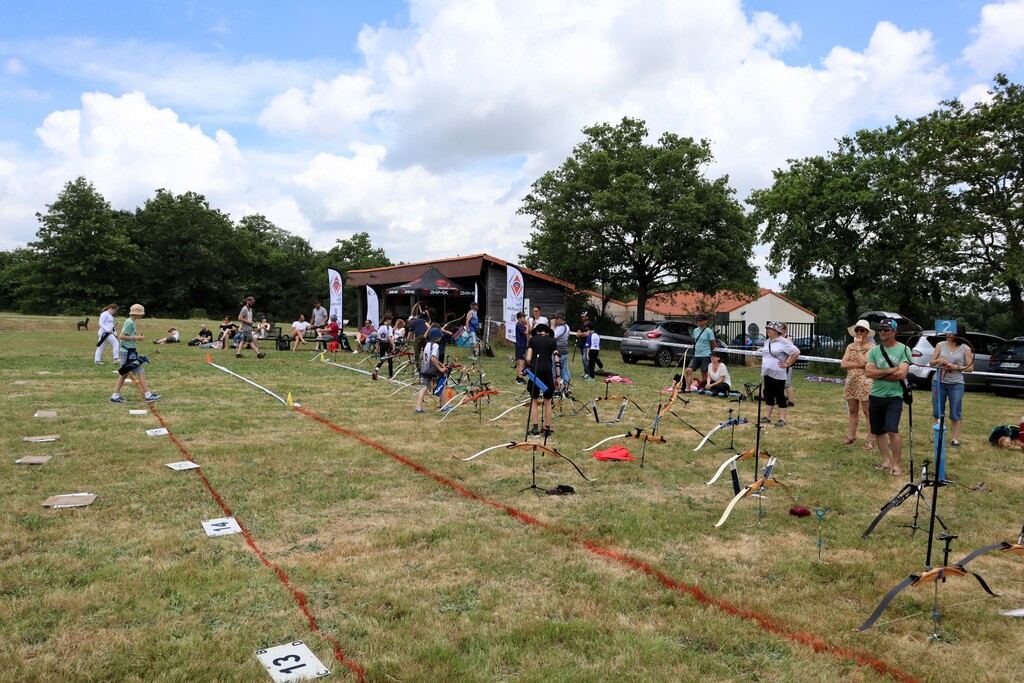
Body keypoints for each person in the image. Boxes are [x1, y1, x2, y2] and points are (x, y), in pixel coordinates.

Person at [864, 317, 913, 476]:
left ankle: (896, 465)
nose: (882, 332)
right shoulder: (875, 350)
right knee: (878, 431)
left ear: (894, 332)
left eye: (886, 330)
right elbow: (868, 372)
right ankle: (886, 461)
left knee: (892, 430)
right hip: (875, 395)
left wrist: (879, 373)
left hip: (894, 396)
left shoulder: (904, 349)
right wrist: (891, 370)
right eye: (880, 330)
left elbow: (902, 374)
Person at [928, 324, 974, 447]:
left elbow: (970, 368)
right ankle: (937, 434)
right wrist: (938, 361)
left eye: (951, 332)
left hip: (956, 383)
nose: (948, 334)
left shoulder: (965, 348)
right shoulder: (940, 345)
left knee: (955, 411)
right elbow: (931, 363)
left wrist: (955, 367)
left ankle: (955, 439)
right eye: (947, 332)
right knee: (937, 410)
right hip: (939, 381)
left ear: (958, 334)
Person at [109, 304, 161, 403]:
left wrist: (136, 337)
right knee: (139, 370)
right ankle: (148, 394)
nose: (142, 315)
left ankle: (115, 395)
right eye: (141, 313)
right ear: (136, 314)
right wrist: (136, 338)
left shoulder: (131, 321)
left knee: (124, 372)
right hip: (127, 352)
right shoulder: (129, 322)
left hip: (129, 351)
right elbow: (121, 336)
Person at [841, 319, 876, 449]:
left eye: (862, 330)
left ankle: (870, 439)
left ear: (867, 332)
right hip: (852, 380)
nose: (859, 332)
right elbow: (843, 364)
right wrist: (858, 364)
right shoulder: (850, 346)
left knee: (867, 411)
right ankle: (851, 436)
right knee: (852, 410)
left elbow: (865, 363)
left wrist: (859, 348)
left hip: (866, 381)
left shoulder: (872, 347)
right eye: (857, 330)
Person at [760, 321, 799, 426]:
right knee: (769, 394)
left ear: (776, 331)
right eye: (767, 329)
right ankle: (767, 417)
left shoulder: (784, 342)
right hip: (767, 371)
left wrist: (788, 363)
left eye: (770, 329)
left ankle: (782, 419)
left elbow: (796, 352)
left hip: (778, 373)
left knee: (779, 395)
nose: (768, 330)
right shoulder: (767, 341)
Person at [524, 322, 561, 434]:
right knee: (548, 400)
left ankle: (535, 428)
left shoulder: (532, 340)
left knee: (534, 399)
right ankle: (547, 428)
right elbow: (557, 359)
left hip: (535, 371)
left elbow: (528, 357)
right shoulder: (552, 341)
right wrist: (558, 377)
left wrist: (528, 365)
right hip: (547, 371)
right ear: (547, 332)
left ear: (537, 331)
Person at [414, 334, 448, 413]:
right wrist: (440, 369)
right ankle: (444, 407)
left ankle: (418, 407)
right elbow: (433, 358)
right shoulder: (435, 345)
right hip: (433, 371)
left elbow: (432, 358)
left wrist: (442, 365)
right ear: (436, 337)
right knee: (442, 385)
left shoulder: (427, 344)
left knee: (424, 387)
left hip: (425, 369)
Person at [685, 314, 717, 390]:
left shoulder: (709, 331)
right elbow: (694, 340)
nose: (698, 322)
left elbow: (713, 344)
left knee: (704, 372)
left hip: (706, 355)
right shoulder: (695, 330)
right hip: (696, 355)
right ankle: (687, 388)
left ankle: (704, 388)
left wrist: (713, 355)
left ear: (705, 321)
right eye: (697, 320)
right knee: (688, 370)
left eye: (700, 320)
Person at [551, 311, 572, 389]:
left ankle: (564, 386)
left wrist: (552, 326)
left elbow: (552, 336)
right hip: (564, 350)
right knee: (565, 370)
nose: (555, 320)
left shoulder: (561, 328)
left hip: (559, 351)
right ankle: (567, 385)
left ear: (561, 318)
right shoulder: (566, 326)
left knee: (559, 371)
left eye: (556, 318)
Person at [371, 315, 395, 381]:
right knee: (390, 360)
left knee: (381, 359)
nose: (391, 321)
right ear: (388, 320)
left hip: (381, 344)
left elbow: (378, 338)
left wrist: (377, 346)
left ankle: (376, 371)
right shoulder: (389, 327)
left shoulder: (380, 327)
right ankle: (390, 375)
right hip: (387, 344)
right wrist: (393, 345)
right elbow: (389, 337)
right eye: (390, 320)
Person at [780, 322, 797, 406]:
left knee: (787, 384)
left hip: (787, 364)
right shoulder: (778, 339)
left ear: (785, 330)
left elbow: (792, 352)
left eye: (781, 329)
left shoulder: (788, 339)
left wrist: (787, 363)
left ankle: (791, 401)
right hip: (780, 364)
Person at [576, 312, 591, 377]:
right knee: (583, 359)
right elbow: (578, 334)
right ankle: (585, 372)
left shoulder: (590, 324)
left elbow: (587, 334)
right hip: (581, 343)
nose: (582, 317)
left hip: (587, 344)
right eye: (582, 316)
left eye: (584, 316)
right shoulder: (581, 325)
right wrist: (583, 334)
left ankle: (588, 373)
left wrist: (581, 334)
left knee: (585, 358)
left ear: (587, 317)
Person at [514, 311, 528, 383]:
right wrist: (528, 324)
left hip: (521, 345)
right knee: (521, 361)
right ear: (519, 318)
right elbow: (526, 332)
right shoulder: (519, 325)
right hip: (521, 345)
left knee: (519, 361)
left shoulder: (521, 325)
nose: (524, 319)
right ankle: (520, 378)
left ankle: (518, 376)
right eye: (523, 318)